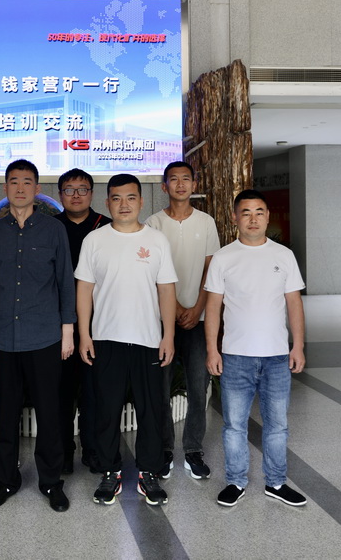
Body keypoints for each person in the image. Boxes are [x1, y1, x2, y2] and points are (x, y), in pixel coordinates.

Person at [0, 159, 75, 513]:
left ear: (37, 189)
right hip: (3, 338)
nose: (20, 188)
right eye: (14, 182)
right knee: (6, 414)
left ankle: (51, 482)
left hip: (45, 336)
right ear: (5, 189)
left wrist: (68, 331)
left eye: (27, 182)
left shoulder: (53, 230)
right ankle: (6, 481)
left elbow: (65, 282)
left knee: (49, 413)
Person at [76, 174, 177, 506]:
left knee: (151, 410)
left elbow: (166, 290)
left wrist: (168, 335)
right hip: (106, 338)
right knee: (106, 410)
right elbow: (84, 289)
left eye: (131, 198)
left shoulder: (157, 240)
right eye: (117, 198)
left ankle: (148, 473)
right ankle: (110, 471)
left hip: (148, 340)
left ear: (141, 201)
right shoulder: (95, 240)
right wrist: (85, 334)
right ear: (107, 202)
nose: (124, 204)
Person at [204, 189, 308, 508]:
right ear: (235, 217)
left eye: (259, 212)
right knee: (234, 425)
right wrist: (212, 350)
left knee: (277, 426)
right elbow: (213, 307)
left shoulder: (283, 255)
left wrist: (298, 346)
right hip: (236, 357)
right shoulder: (224, 257)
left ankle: (276, 482)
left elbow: (294, 303)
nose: (253, 218)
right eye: (246, 212)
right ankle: (235, 481)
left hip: (276, 356)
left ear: (267, 216)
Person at [146, 161, 220, 480]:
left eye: (185, 179)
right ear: (164, 186)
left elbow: (211, 269)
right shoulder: (153, 223)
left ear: (194, 185)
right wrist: (174, 307)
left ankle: (193, 449)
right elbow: (151, 271)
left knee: (198, 385)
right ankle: (164, 449)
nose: (180, 184)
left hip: (198, 318)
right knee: (160, 388)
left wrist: (197, 306)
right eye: (173, 179)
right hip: (161, 321)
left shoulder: (206, 222)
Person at [53, 168, 111, 474]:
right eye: (69, 189)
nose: (76, 195)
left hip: (98, 322)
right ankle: (63, 452)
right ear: (60, 194)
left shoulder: (107, 227)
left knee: (95, 391)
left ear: (92, 193)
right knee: (61, 391)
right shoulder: (50, 227)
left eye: (82, 189)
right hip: (59, 324)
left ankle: (93, 450)